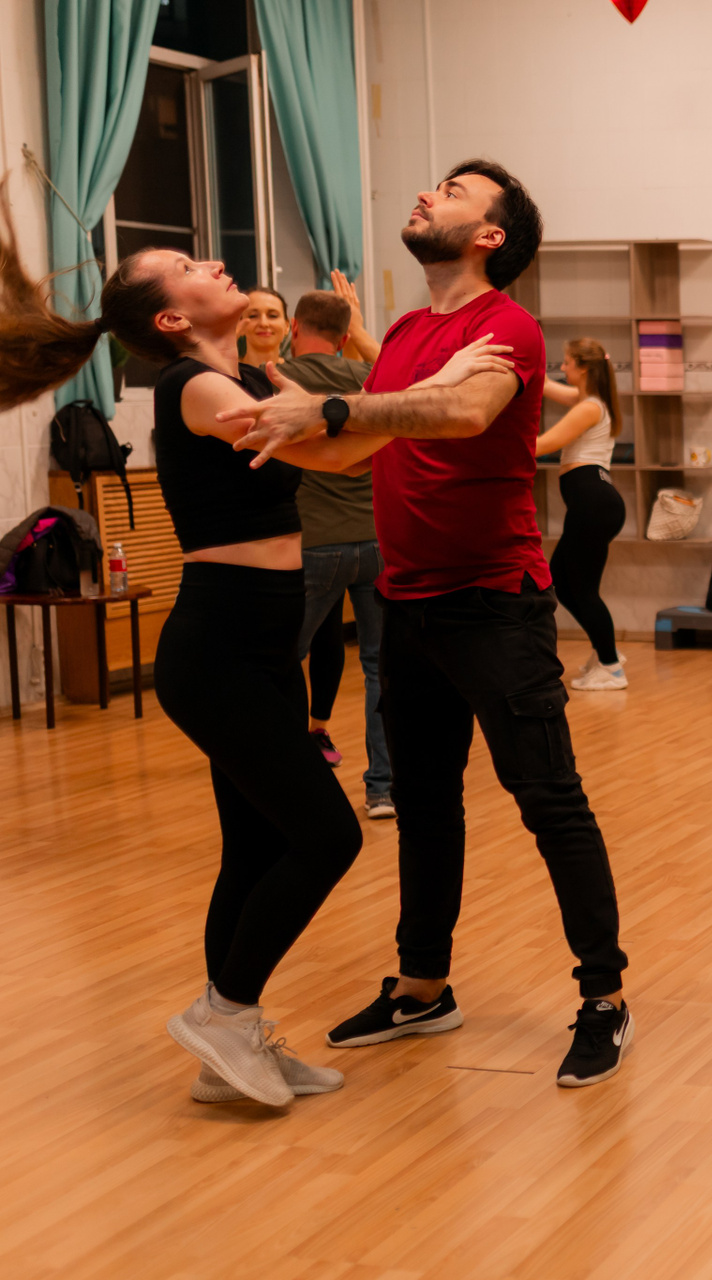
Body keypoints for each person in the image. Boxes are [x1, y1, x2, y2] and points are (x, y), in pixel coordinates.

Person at [0, 201, 499, 1104]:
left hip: (261, 644)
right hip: (220, 648)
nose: (212, 263)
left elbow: (341, 447)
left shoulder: (248, 379)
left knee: (254, 846)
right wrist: (447, 388)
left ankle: (225, 1054)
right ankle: (222, 1013)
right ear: (171, 318)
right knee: (329, 835)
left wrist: (416, 393)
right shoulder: (196, 387)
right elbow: (336, 452)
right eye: (188, 267)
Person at [222, 160, 636, 1088]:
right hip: (407, 602)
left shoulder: (507, 327)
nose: (426, 195)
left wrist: (331, 402)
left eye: (453, 191)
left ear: (491, 235)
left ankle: (604, 998)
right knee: (423, 803)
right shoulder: (409, 331)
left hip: (494, 602)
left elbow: (462, 411)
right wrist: (262, 427)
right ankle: (422, 987)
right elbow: (361, 446)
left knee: (549, 801)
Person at [278, 289, 393, 818]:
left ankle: (289, 789)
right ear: (346, 337)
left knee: (279, 665)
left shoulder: (280, 379)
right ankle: (383, 790)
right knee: (379, 669)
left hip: (314, 546)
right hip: (376, 542)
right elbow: (402, 381)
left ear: (294, 328)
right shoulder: (369, 379)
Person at [538, 338, 628, 691]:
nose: (563, 368)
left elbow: (546, 444)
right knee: (563, 582)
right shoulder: (589, 400)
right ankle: (607, 653)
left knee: (583, 590)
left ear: (584, 367)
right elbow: (545, 386)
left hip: (595, 505)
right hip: (594, 505)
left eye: (567, 363)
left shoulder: (589, 407)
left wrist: (493, 446)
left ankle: (612, 667)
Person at [240, 287, 289, 368]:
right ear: (240, 324)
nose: (263, 323)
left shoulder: (299, 373)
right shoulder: (226, 372)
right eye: (253, 316)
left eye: (272, 316)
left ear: (287, 326)